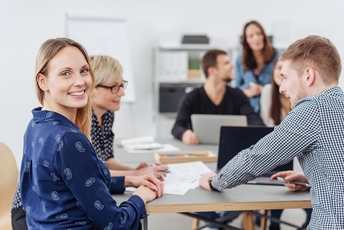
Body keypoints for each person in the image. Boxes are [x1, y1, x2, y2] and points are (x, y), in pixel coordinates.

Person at [200, 35, 344, 229]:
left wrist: (215, 181)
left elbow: (256, 158)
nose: (282, 88)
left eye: (285, 77)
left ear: (308, 76)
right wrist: (312, 177)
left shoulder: (312, 109)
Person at [18, 37, 163, 229]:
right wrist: (141, 197)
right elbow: (116, 224)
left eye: (84, 71)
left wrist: (129, 180)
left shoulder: (37, 123)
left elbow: (80, 181)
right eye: (65, 73)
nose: (80, 82)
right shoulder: (68, 139)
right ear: (43, 82)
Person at [89, 55, 168, 178]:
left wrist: (137, 170)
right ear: (91, 88)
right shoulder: (80, 120)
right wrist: (136, 174)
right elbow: (92, 172)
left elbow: (106, 160)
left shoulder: (108, 113)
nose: (122, 93)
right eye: (114, 87)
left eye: (121, 85)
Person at [171, 49, 265, 145]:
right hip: (200, 149)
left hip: (231, 148)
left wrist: (256, 131)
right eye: (226, 63)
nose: (232, 65)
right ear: (212, 71)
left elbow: (254, 119)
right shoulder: (192, 97)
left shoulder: (237, 95)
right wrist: (184, 134)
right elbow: (177, 127)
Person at [260, 60, 312, 230]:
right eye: (277, 69)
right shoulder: (268, 92)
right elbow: (265, 127)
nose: (280, 73)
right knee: (279, 188)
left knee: (302, 194)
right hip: (276, 155)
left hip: (298, 159)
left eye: (285, 72)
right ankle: (273, 225)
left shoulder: (304, 99)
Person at [235, 20, 280, 114]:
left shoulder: (278, 56)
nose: (256, 38)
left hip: (273, 108)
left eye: (259, 33)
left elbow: (284, 82)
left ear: (264, 35)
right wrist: (247, 92)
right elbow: (236, 89)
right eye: (251, 36)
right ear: (246, 40)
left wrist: (266, 89)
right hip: (249, 109)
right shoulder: (240, 60)